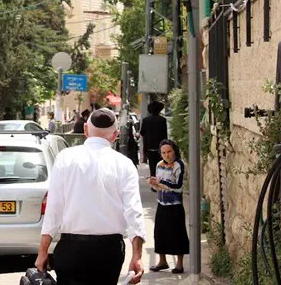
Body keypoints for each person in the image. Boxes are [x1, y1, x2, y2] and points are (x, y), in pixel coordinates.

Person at [36, 108, 146, 285]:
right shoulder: (124, 165)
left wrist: (43, 252)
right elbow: (134, 212)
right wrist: (137, 256)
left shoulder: (65, 158)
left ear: (86, 130)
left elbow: (54, 208)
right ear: (115, 135)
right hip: (108, 251)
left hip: (71, 249)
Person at [148, 139, 189, 274]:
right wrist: (153, 183)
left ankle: (179, 264)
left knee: (177, 233)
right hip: (162, 203)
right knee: (159, 232)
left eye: (169, 151)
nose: (167, 155)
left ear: (174, 151)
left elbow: (177, 186)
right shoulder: (159, 165)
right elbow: (158, 187)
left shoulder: (179, 165)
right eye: (164, 152)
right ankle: (162, 261)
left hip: (175, 205)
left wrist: (161, 182)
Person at [140, 101, 168, 178]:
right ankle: (159, 181)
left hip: (149, 147)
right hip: (160, 147)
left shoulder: (146, 120)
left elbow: (142, 133)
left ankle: (153, 183)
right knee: (160, 167)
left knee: (152, 167)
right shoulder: (162, 120)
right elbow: (165, 135)